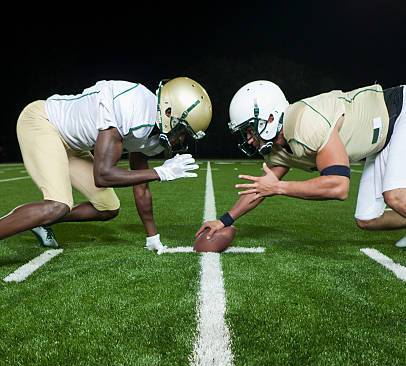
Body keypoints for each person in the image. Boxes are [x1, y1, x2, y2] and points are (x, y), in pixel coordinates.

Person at [3, 77, 212, 252]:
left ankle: (39, 218)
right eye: (182, 130)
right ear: (168, 112)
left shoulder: (152, 133)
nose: (180, 139)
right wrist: (160, 173)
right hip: (44, 122)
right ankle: (38, 215)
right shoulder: (132, 107)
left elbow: (141, 187)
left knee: (108, 207)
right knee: (59, 205)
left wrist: (152, 236)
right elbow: (102, 175)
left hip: (73, 145)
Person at [196, 80, 406, 248]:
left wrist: (279, 188)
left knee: (395, 196)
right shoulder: (277, 147)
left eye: (250, 129)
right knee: (367, 218)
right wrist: (224, 221)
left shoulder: (306, 124)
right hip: (380, 141)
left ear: (270, 118)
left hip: (398, 113)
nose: (249, 138)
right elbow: (260, 188)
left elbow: (339, 186)